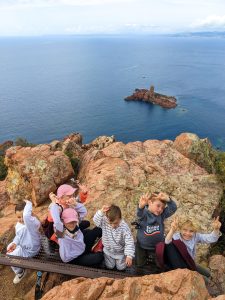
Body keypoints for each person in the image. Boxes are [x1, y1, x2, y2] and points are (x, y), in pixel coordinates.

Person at [135, 192, 177, 268]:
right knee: (140, 264)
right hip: (141, 246)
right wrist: (141, 206)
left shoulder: (162, 214)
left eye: (162, 208)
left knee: (158, 265)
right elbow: (139, 213)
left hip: (157, 247)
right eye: (158, 206)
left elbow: (173, 208)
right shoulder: (144, 213)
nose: (160, 209)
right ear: (150, 202)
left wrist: (168, 200)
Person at [7, 200, 41, 284]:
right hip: (23, 247)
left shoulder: (31, 223)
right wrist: (15, 243)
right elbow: (18, 236)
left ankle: (20, 272)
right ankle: (20, 267)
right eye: (18, 217)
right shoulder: (18, 225)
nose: (21, 219)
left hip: (31, 251)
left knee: (11, 257)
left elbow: (26, 216)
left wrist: (29, 203)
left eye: (22, 216)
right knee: (9, 249)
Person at [93, 204, 135, 270]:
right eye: (111, 223)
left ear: (120, 218)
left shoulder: (124, 227)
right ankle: (109, 263)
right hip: (108, 251)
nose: (113, 225)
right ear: (107, 218)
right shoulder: (104, 221)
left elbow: (129, 241)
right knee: (110, 266)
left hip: (120, 252)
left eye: (115, 223)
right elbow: (95, 220)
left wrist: (129, 255)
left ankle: (120, 264)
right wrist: (101, 211)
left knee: (121, 268)